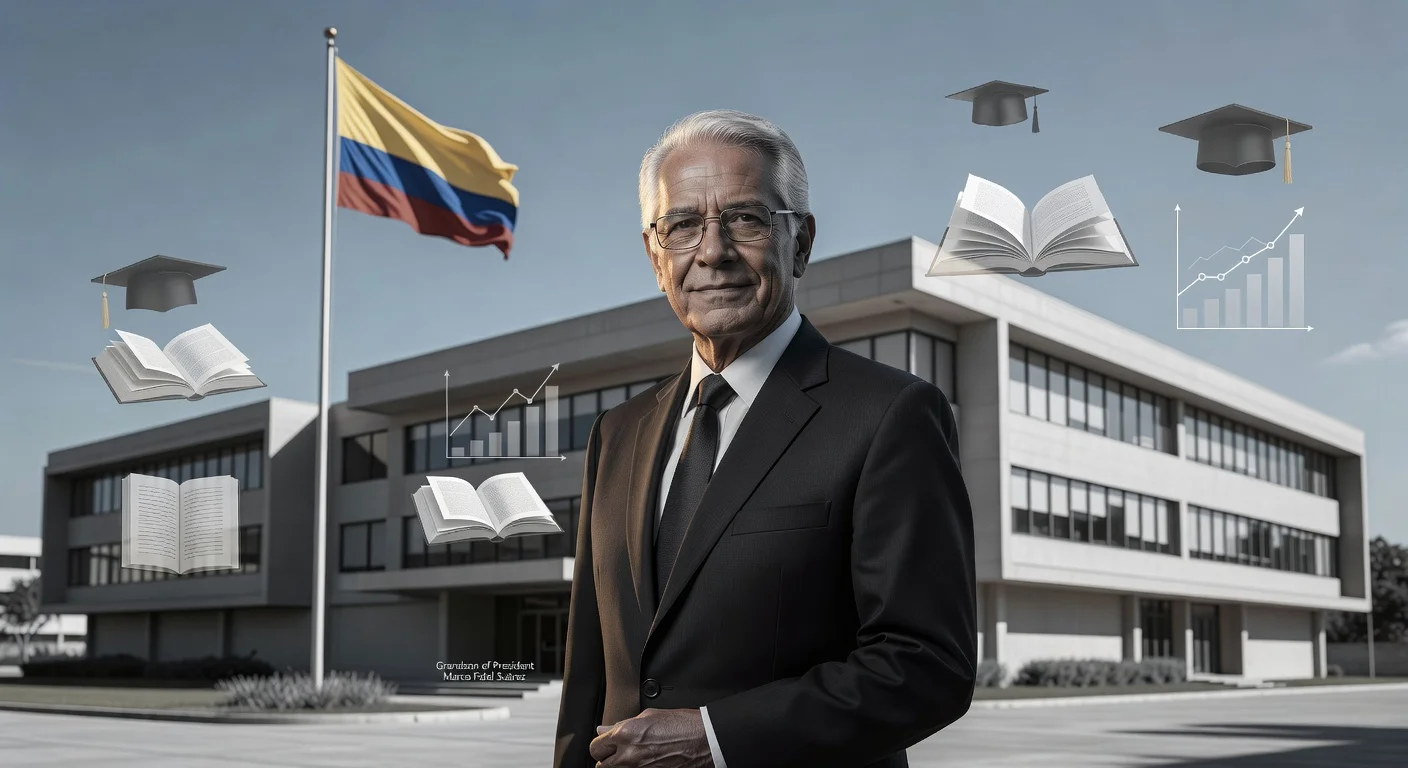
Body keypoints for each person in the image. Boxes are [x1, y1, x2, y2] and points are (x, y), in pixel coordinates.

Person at [554, 110, 976, 768]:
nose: (713, 251)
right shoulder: (618, 433)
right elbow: (589, 679)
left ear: (801, 242)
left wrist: (715, 738)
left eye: (746, 219)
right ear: (654, 254)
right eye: (683, 224)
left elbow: (926, 666)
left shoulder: (891, 415)